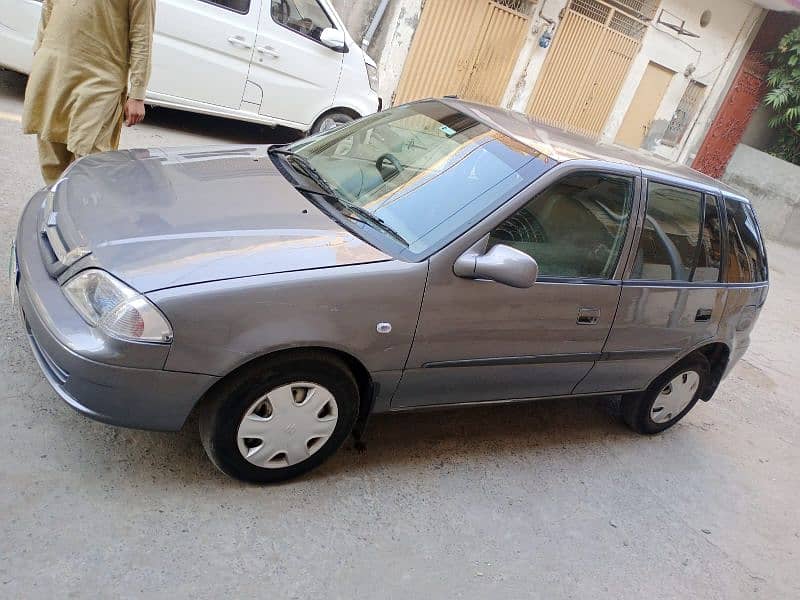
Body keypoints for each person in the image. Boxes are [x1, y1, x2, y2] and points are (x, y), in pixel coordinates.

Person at [22, 0, 155, 185]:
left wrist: (137, 94)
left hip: (100, 80)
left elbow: (142, 34)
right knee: (52, 162)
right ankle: (57, 209)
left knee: (93, 163)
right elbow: (49, 7)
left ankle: (88, 211)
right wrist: (39, 52)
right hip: (53, 69)